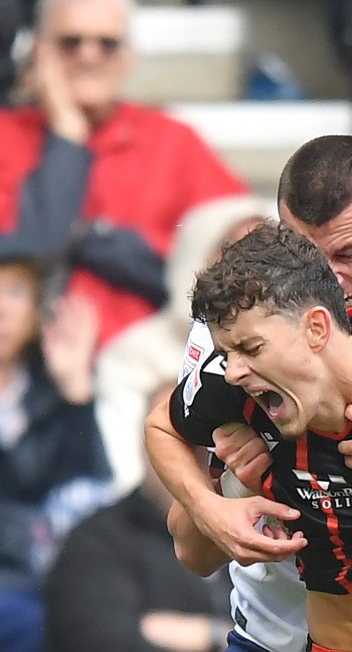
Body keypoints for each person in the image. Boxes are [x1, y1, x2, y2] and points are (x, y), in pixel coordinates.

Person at [144, 135, 352, 652]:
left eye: (349, 252)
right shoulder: (234, 333)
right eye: (308, 256)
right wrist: (217, 501)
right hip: (278, 631)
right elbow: (190, 538)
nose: (329, 279)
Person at [0, 0, 248, 350]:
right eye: (70, 42)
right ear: (38, 52)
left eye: (107, 44)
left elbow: (236, 266)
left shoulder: (174, 141)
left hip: (153, 377)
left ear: (129, 56)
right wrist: (67, 134)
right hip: (22, 381)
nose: (89, 56)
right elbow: (27, 251)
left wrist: (90, 240)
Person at [0, 235, 111, 652]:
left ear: (36, 308)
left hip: (42, 585)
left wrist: (75, 391)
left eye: (16, 292)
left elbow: (90, 493)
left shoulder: (51, 395)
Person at [95, 195, 268, 495]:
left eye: (265, 251)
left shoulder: (291, 350)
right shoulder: (132, 354)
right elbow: (126, 473)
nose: (251, 268)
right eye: (233, 250)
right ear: (197, 255)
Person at [44, 383, 234, 652]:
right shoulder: (95, 540)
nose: (190, 458)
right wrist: (225, 636)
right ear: (143, 448)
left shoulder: (255, 527)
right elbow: (97, 640)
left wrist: (209, 635)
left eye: (205, 442)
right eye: (170, 442)